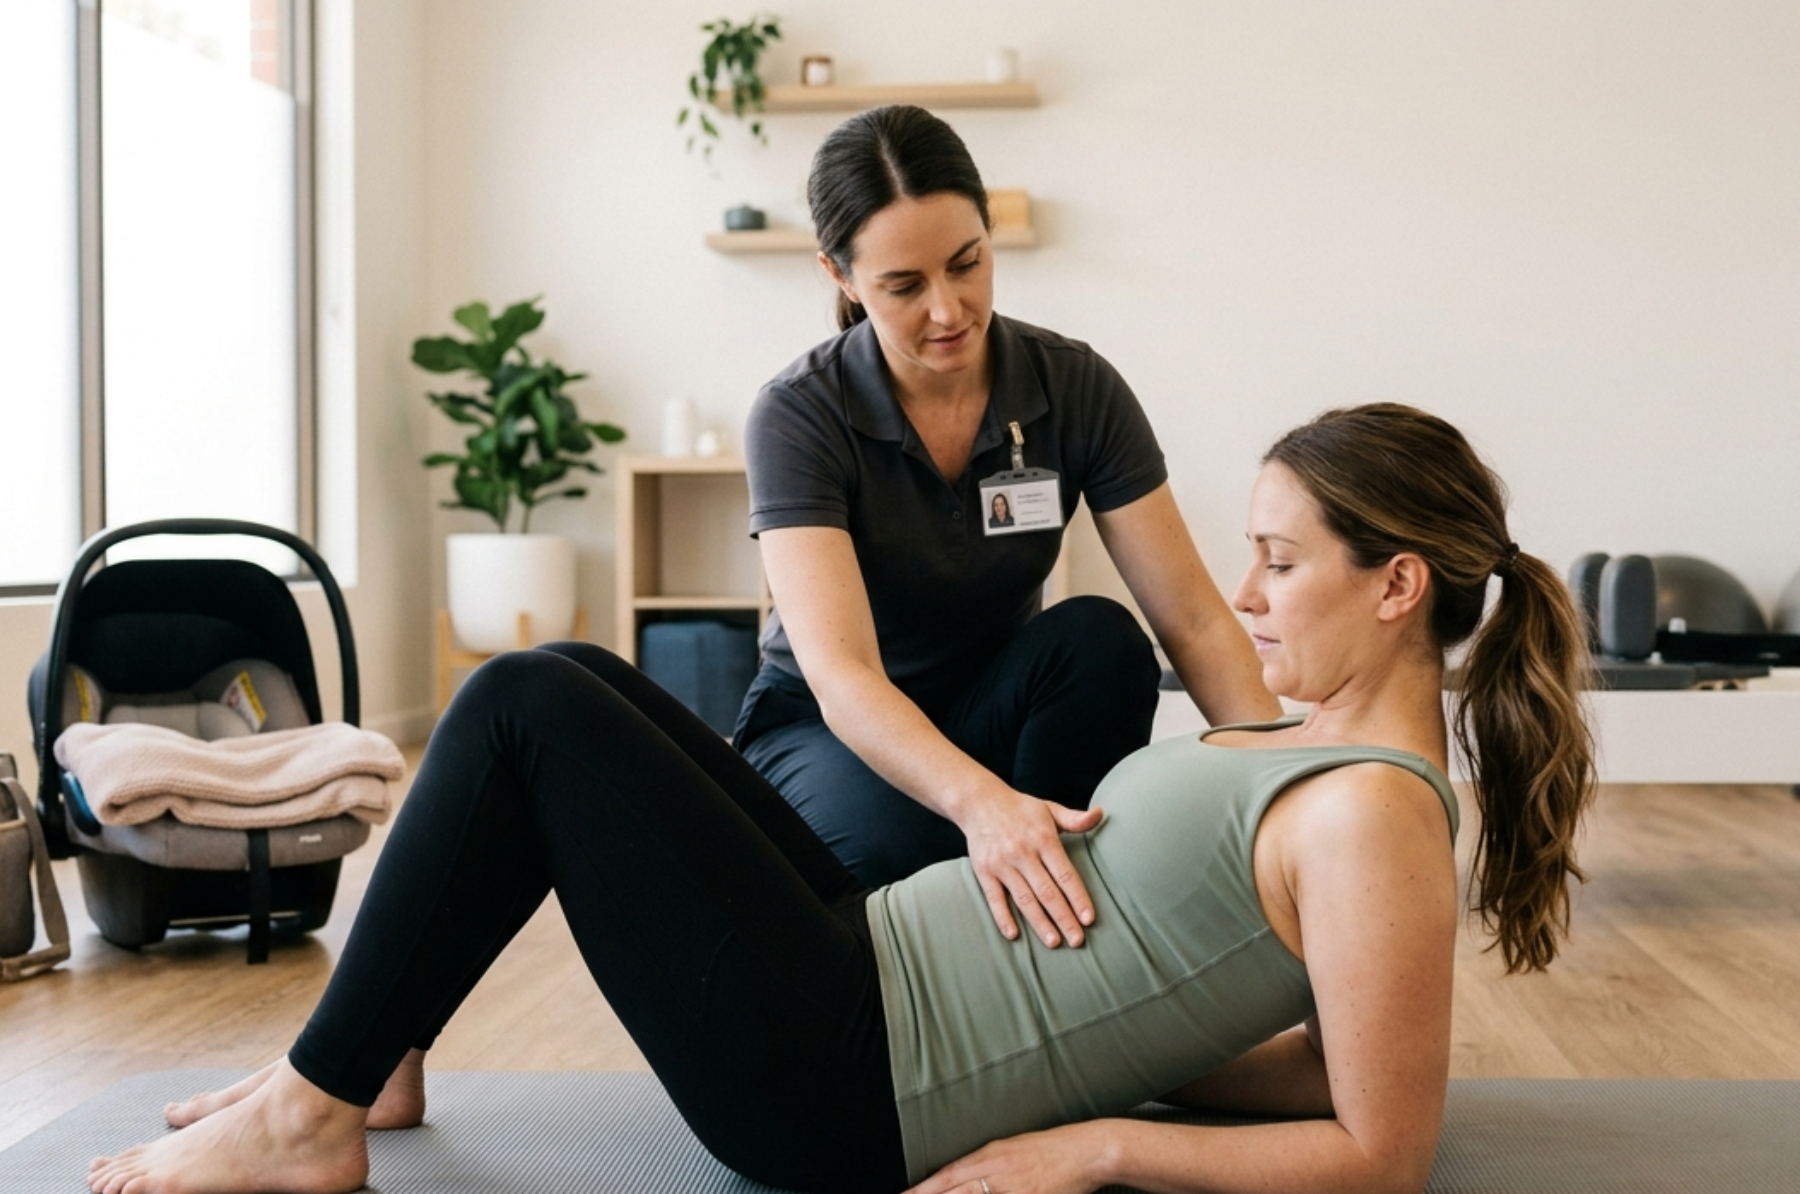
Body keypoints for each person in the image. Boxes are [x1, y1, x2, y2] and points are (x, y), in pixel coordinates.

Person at [88, 403, 1594, 1194]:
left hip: (844, 1077)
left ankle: (314, 1107)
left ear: (1397, 585)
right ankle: (372, 1056)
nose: (1247, 591)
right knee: (582, 682)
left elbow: (1380, 1146)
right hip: (869, 957)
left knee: (524, 704)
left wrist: (1103, 1137)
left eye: (1281, 558)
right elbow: (1298, 1060)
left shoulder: (1376, 815)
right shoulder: (1313, 753)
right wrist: (1143, 1056)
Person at [738, 106, 1279, 951]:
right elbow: (843, 677)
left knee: (1102, 637)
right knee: (915, 859)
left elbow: (1196, 620)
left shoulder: (1075, 386)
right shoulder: (799, 415)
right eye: (904, 286)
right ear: (841, 277)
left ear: (991, 237)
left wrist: (1282, 787)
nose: (949, 310)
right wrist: (983, 806)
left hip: (989, 703)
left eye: (967, 264)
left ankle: (1056, 911)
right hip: (829, 726)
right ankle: (1018, 895)